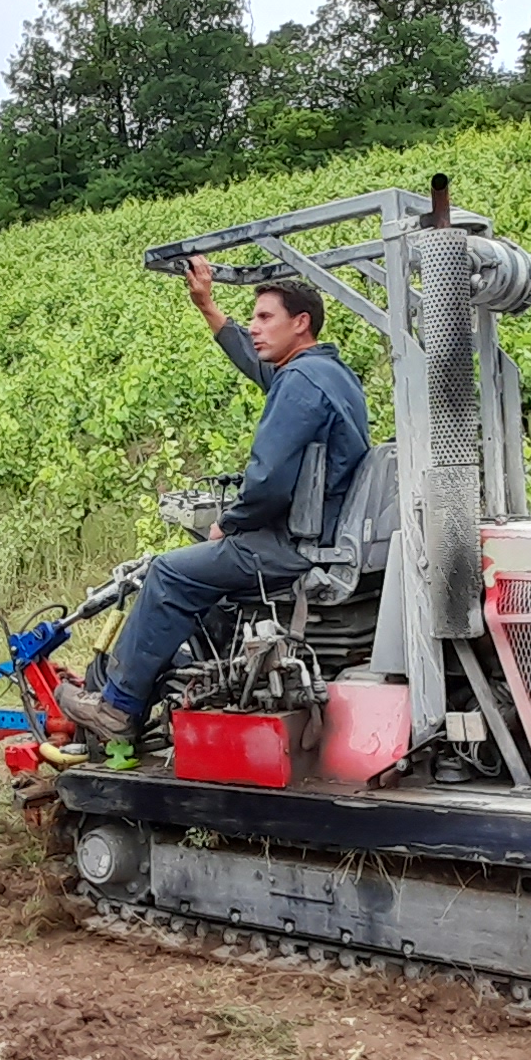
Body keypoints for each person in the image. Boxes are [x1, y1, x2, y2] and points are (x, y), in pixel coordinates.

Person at [54, 256, 369, 743]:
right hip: (327, 532)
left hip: (293, 543)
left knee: (167, 573)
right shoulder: (326, 373)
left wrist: (232, 522)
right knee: (204, 579)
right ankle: (205, 686)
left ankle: (117, 708)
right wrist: (207, 306)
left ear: (300, 323)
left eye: (265, 318)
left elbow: (267, 483)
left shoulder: (300, 384)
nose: (255, 329)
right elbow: (256, 360)